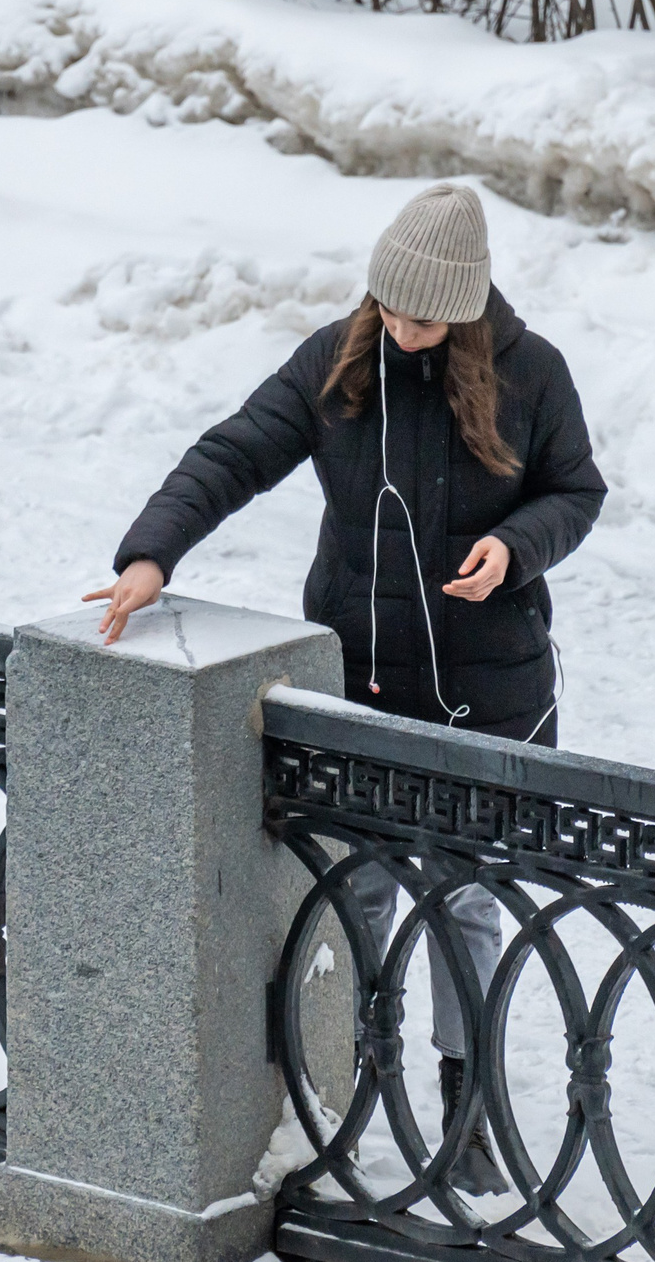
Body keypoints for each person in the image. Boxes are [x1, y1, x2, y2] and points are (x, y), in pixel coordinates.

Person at [83, 181, 606, 1195]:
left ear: (464, 308)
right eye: (390, 308)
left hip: (486, 692)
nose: (403, 331)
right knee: (355, 889)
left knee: (463, 898)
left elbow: (576, 491)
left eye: (424, 318)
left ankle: (466, 1106)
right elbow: (235, 450)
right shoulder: (339, 362)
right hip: (360, 683)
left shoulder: (531, 373)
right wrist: (152, 552)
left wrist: (515, 546)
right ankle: (349, 1090)